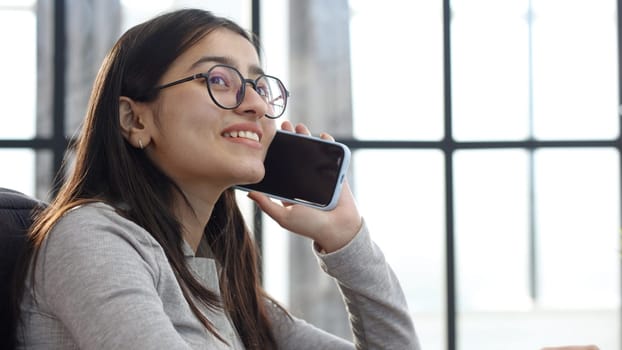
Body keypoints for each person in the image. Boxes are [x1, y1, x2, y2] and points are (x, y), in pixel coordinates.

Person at [13, 8, 419, 350]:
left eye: (260, 86)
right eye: (219, 80)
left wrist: (347, 239)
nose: (257, 104)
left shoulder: (223, 284)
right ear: (135, 119)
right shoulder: (92, 237)